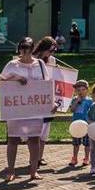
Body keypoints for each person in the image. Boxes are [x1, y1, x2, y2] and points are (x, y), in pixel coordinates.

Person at [0, 37, 47, 181]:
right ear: (19, 49)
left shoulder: (40, 64)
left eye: (28, 48)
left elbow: (47, 84)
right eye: (22, 48)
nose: (25, 51)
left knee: (34, 139)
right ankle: (11, 170)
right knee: (13, 139)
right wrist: (15, 78)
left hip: (34, 107)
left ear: (32, 49)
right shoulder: (12, 65)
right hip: (16, 108)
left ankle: (33, 171)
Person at [32, 36, 59, 169]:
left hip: (49, 96)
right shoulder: (33, 59)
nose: (51, 54)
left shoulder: (52, 60)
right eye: (50, 50)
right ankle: (34, 156)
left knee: (45, 129)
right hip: (35, 97)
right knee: (36, 128)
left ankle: (40, 157)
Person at [67, 80, 93, 167]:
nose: (80, 92)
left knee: (87, 143)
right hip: (76, 125)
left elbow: (92, 112)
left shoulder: (90, 101)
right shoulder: (74, 99)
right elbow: (72, 109)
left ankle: (86, 158)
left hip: (86, 124)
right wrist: (77, 101)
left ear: (87, 90)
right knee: (76, 143)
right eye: (78, 90)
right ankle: (74, 157)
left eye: (83, 89)